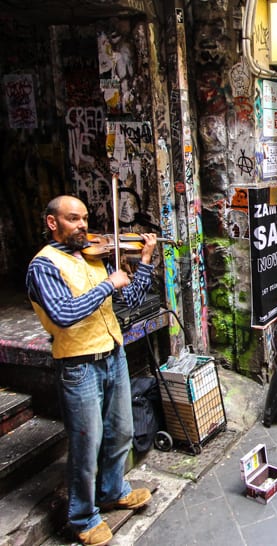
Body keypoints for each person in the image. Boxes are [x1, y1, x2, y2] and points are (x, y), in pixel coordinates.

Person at [26, 195, 157, 546]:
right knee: (86, 445)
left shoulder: (91, 256)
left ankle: (113, 490)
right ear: (53, 223)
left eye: (84, 218)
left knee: (121, 432)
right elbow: (64, 314)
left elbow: (128, 301)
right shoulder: (44, 265)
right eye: (73, 219)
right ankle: (82, 517)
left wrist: (144, 261)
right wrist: (107, 284)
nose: (83, 225)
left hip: (113, 353)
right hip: (78, 365)